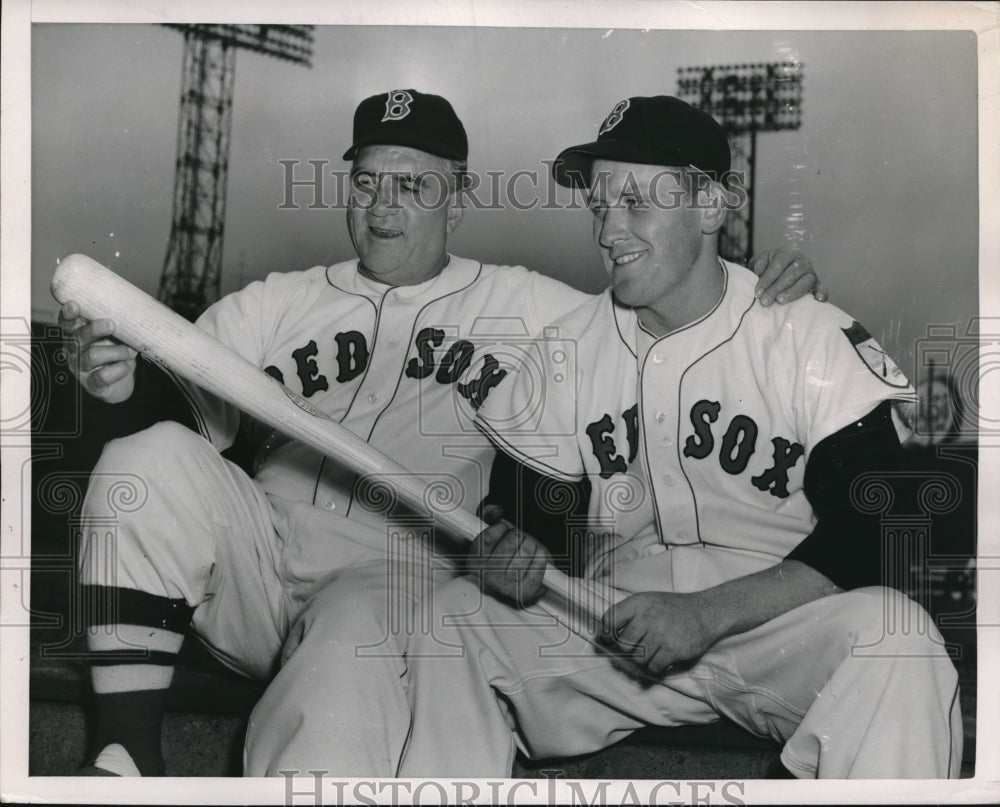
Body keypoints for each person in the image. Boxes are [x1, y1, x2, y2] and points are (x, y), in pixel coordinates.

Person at [58, 89, 822, 777]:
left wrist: (763, 294)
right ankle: (125, 753)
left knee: (349, 647)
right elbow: (173, 412)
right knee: (144, 455)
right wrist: (115, 385)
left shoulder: (535, 307)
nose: (383, 206)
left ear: (458, 199)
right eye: (367, 182)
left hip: (403, 571)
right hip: (255, 560)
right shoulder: (275, 302)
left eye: (413, 185)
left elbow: (673, 320)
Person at [395, 96, 963, 779]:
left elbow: (887, 518)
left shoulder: (800, 330)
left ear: (712, 207)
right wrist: (511, 552)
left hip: (778, 628)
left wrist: (707, 614)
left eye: (635, 202)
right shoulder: (565, 349)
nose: (609, 230)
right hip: (615, 626)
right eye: (599, 205)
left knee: (898, 639)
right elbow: (531, 519)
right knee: (453, 618)